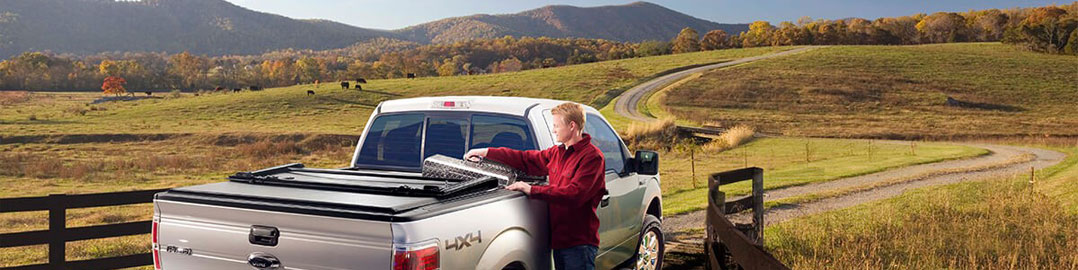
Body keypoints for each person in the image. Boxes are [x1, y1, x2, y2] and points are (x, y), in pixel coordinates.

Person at [464, 102, 606, 270]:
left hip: (579, 245)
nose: (554, 130)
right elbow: (525, 159)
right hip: (559, 241)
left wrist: (532, 190)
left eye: (556, 126)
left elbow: (575, 194)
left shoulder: (592, 158)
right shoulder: (557, 153)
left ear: (572, 126)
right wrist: (486, 152)